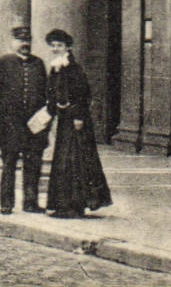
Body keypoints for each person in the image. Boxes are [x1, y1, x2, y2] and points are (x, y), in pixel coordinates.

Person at [43, 28, 112, 218]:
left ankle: (75, 204)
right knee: (63, 159)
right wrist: (52, 109)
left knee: (76, 160)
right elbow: (52, 92)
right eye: (53, 46)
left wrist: (78, 116)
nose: (56, 49)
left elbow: (83, 94)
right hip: (64, 119)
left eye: (60, 45)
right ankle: (62, 204)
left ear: (67, 47)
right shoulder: (56, 67)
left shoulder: (73, 68)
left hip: (76, 120)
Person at [0, 25, 49, 215]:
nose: (25, 44)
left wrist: (44, 120)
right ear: (12, 42)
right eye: (21, 41)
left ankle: (30, 202)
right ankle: (6, 203)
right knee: (9, 164)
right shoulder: (2, 63)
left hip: (33, 124)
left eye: (27, 41)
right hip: (10, 123)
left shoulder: (38, 64)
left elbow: (44, 92)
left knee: (33, 164)